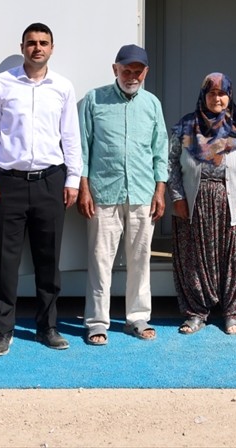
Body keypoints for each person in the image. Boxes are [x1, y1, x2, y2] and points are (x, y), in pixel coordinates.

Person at [0, 22, 82, 356]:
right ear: (22, 46)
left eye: (44, 43)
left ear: (52, 48)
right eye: (32, 42)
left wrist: (72, 179)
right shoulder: (2, 83)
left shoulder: (63, 87)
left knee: (48, 260)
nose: (38, 48)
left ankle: (47, 327)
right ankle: (3, 331)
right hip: (7, 183)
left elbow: (71, 136)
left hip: (51, 182)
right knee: (6, 263)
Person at [77, 44, 169, 345]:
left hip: (143, 193)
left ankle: (138, 318)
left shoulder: (152, 104)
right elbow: (82, 148)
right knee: (100, 260)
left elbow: (160, 150)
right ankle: (96, 322)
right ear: (115, 69)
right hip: (103, 192)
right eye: (126, 70)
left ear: (146, 72)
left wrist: (160, 190)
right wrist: (84, 188)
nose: (132, 75)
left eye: (137, 70)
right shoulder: (94, 100)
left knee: (140, 259)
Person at [168, 72, 236, 336]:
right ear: (203, 96)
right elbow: (171, 162)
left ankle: (233, 313)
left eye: (222, 93)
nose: (217, 98)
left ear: (229, 95)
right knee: (194, 258)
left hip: (234, 200)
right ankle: (196, 312)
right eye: (211, 93)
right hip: (194, 199)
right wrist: (177, 197)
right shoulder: (187, 127)